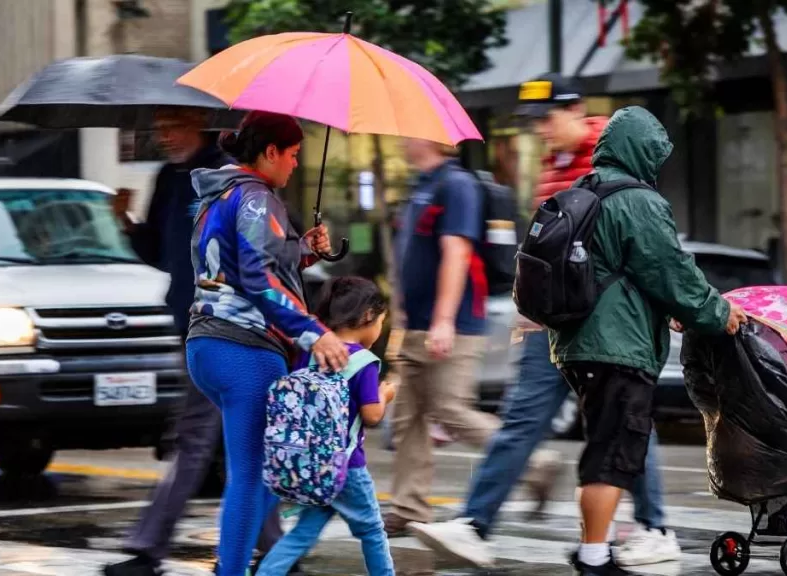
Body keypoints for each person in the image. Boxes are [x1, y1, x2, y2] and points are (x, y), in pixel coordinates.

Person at [409, 75, 677, 568]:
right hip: (556, 321)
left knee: (626, 424)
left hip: (605, 325)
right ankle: (475, 523)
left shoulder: (612, 155)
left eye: (549, 119)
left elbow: (642, 242)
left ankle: (655, 526)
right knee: (525, 418)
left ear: (577, 112)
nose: (542, 131)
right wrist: (531, 307)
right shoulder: (554, 165)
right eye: (535, 123)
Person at [551, 106, 747, 576]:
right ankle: (594, 556)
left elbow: (622, 275)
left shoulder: (581, 191)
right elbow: (671, 271)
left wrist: (666, 313)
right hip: (617, 348)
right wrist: (718, 314)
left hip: (580, 344)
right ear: (641, 152)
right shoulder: (638, 201)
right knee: (611, 453)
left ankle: (593, 548)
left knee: (606, 446)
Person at [103, 108, 287, 576]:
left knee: (194, 440)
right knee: (237, 443)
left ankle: (148, 549)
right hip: (193, 326)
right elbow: (161, 254)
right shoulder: (169, 177)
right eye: (158, 128)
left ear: (197, 125)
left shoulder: (229, 177)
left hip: (227, 328)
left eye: (172, 126)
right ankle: (280, 551)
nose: (163, 136)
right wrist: (125, 220)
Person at [184, 111, 351, 576]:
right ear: (272, 151)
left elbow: (242, 266)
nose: (296, 165)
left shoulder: (221, 193)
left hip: (207, 345)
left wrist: (305, 250)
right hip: (246, 350)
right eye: (294, 154)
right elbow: (258, 279)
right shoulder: (257, 199)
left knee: (256, 474)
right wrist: (314, 332)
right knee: (253, 475)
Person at [384, 139, 558, 537]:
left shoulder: (456, 185)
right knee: (408, 419)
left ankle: (535, 463)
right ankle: (409, 508)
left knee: (451, 411)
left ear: (431, 139)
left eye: (412, 132)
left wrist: (444, 319)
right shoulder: (419, 187)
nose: (405, 138)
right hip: (415, 325)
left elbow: (457, 252)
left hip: (454, 324)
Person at [257, 277, 396, 576]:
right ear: (367, 316)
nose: (380, 329)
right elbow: (371, 416)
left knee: (303, 533)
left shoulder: (312, 352)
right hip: (348, 466)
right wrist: (384, 395)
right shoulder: (364, 361)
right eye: (381, 321)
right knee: (372, 530)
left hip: (315, 465)